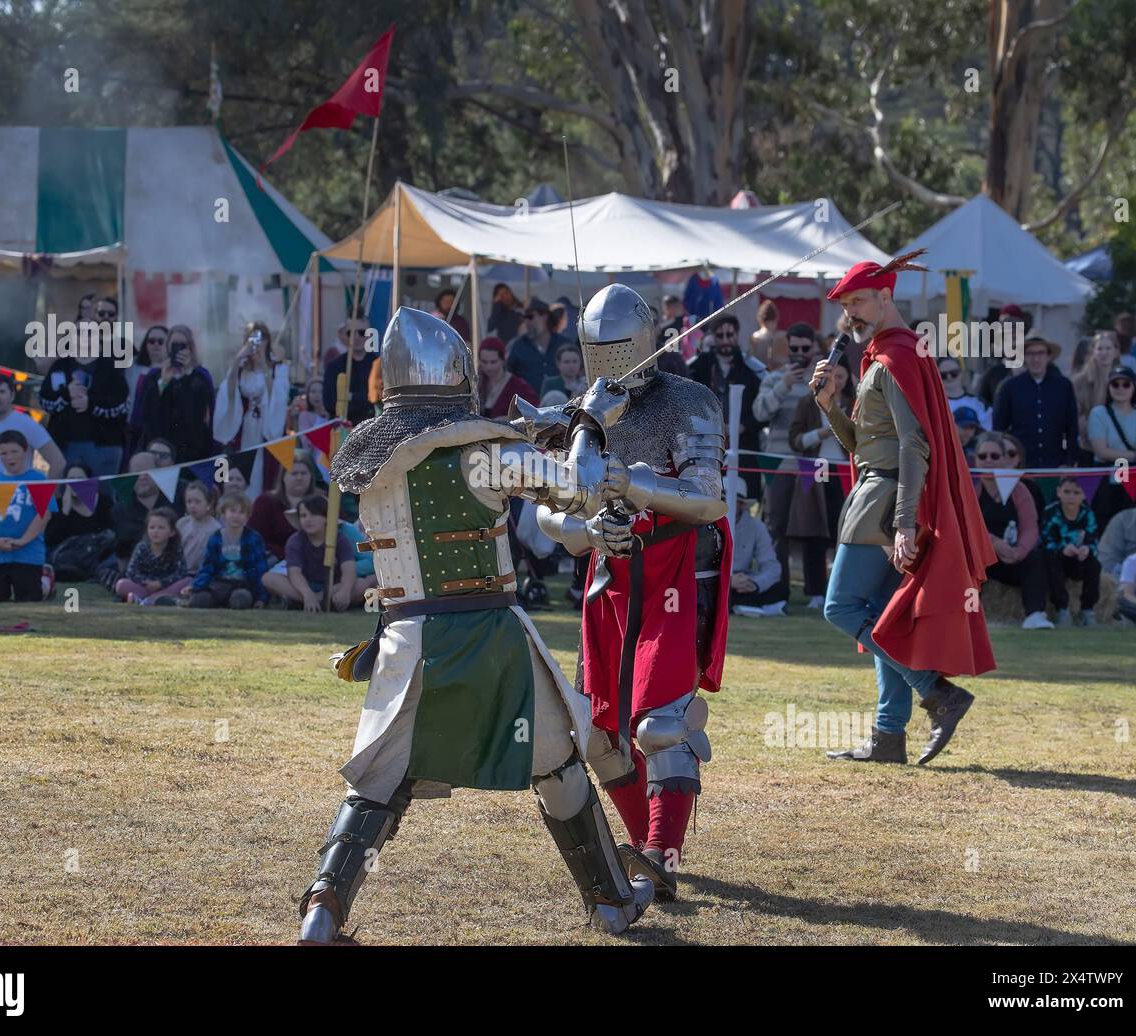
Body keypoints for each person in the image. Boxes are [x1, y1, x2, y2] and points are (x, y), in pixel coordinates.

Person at [297, 306, 656, 944]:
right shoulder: (490, 454)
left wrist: (537, 432)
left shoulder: (378, 465)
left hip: (408, 640)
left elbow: (450, 457)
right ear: (459, 376)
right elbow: (581, 490)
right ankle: (611, 901)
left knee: (380, 782)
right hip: (492, 639)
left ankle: (324, 909)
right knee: (558, 765)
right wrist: (590, 424)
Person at [527, 283, 732, 904]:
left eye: (620, 348)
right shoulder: (578, 413)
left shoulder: (688, 401)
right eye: (599, 349)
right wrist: (586, 529)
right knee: (598, 731)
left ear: (645, 340)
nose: (610, 363)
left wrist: (635, 484)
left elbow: (708, 499)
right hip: (610, 574)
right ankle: (649, 847)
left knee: (662, 724)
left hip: (677, 566)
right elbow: (546, 511)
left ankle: (662, 851)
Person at [813, 251, 995, 766]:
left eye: (861, 300)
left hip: (884, 500)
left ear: (887, 296)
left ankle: (939, 693)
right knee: (883, 617)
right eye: (847, 304)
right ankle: (888, 737)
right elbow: (864, 444)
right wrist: (829, 405)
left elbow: (914, 445)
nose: (853, 311)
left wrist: (903, 524)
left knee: (841, 608)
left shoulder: (895, 358)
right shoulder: (882, 356)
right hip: (879, 491)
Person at [755, 322, 822, 586]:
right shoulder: (774, 378)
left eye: (805, 348)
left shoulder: (820, 379)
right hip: (777, 461)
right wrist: (783, 384)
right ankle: (777, 588)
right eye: (794, 348)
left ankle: (816, 591)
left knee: (814, 525)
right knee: (777, 525)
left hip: (810, 462)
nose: (799, 353)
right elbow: (760, 413)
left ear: (814, 348)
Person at [788, 352, 853, 608]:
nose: (836, 381)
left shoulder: (856, 401)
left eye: (841, 377)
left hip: (845, 471)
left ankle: (842, 590)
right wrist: (820, 434)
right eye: (832, 376)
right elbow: (796, 440)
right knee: (813, 532)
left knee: (845, 531)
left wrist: (840, 428)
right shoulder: (807, 402)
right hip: (813, 470)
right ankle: (815, 592)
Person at [971, 433, 1053, 628]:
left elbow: (1030, 527)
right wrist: (994, 543)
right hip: (980, 555)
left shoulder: (1020, 489)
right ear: (975, 460)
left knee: (1036, 558)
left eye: (994, 456)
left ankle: (1035, 614)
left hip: (1011, 556)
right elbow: (967, 527)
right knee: (967, 562)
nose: (989, 461)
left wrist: (1019, 551)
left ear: (1004, 459)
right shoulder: (968, 488)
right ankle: (969, 614)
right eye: (983, 456)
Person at [0, 429, 56, 603]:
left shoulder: (39, 480)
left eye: (14, 452)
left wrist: (24, 540)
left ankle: (46, 583)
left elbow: (44, 515)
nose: (9, 457)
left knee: (29, 599)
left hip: (28, 554)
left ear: (25, 451)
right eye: (3, 453)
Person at [38, 324, 129, 477]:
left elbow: (122, 406)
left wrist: (90, 403)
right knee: (63, 495)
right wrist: (66, 395)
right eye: (79, 332)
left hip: (104, 446)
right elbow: (44, 401)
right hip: (63, 444)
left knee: (102, 496)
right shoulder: (60, 365)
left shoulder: (111, 367)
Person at [214, 321, 289, 494]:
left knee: (264, 473)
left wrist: (263, 365)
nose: (258, 343)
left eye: (261, 338)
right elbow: (229, 391)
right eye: (253, 338)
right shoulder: (240, 369)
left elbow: (277, 396)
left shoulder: (279, 367)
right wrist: (238, 359)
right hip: (243, 428)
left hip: (267, 427)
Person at [0, 372, 65, 483]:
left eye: (2, 392)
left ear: (12, 395)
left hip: (19, 498)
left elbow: (58, 462)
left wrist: (48, 496)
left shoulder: (27, 424)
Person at [992, 334, 1079, 468]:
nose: (1036, 359)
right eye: (1030, 354)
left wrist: (1069, 461)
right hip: (1020, 463)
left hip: (1055, 463)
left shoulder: (1063, 386)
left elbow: (1072, 427)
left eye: (1040, 353)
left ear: (1048, 357)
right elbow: (999, 428)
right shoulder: (1010, 387)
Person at [1087, 366, 1136, 528]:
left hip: (1132, 477)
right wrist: (1134, 455)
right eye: (1115, 384)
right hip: (1103, 478)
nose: (1120, 388)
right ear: (1108, 387)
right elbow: (1101, 451)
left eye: (1126, 384)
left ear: (1134, 387)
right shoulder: (1098, 413)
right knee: (1103, 525)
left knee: (1131, 526)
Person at [135, 325, 215, 464]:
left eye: (183, 345)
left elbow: (200, 411)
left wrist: (187, 376)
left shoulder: (200, 376)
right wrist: (163, 382)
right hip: (160, 445)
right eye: (174, 345)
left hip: (192, 447)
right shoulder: (154, 375)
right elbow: (146, 410)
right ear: (168, 346)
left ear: (191, 348)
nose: (178, 349)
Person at [261, 495, 357, 610]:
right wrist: (307, 594)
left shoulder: (339, 538)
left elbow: (349, 568)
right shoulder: (296, 540)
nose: (308, 519)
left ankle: (307, 602)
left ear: (326, 517)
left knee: (362, 584)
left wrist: (345, 590)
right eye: (303, 515)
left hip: (332, 586)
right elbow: (294, 572)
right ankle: (314, 601)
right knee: (268, 578)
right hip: (304, 585)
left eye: (314, 514)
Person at [687, 314, 767, 452]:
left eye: (729, 335)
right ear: (714, 337)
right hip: (707, 446)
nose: (725, 340)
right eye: (720, 336)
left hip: (744, 446)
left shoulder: (751, 369)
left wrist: (743, 426)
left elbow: (764, 410)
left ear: (737, 335)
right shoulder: (700, 367)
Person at [183, 490, 269, 609]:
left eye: (241, 512)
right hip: (219, 583)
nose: (236, 516)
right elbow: (207, 567)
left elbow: (260, 569)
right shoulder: (216, 538)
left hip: (244, 585)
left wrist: (261, 598)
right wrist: (195, 586)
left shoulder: (254, 538)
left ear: (247, 516)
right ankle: (183, 601)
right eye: (232, 511)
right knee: (200, 600)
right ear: (223, 513)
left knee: (241, 599)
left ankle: (230, 603)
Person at [1042, 475, 1101, 626]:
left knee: (1095, 564)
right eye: (1067, 492)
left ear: (1083, 495)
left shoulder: (1088, 514)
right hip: (1059, 558)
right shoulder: (1050, 512)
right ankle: (1062, 609)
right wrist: (1062, 548)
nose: (1071, 497)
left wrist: (1087, 549)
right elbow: (1046, 539)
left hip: (1079, 560)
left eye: (1076, 493)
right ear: (1058, 492)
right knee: (1050, 559)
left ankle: (1087, 609)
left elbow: (1093, 538)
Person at [44, 461, 115, 581]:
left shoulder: (104, 502)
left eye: (80, 479)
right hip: (69, 556)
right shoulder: (59, 505)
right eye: (71, 479)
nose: (76, 483)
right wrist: (65, 511)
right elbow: (51, 540)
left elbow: (111, 533)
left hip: (97, 555)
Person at [727, 479, 787, 615]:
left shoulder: (756, 526)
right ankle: (762, 609)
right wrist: (728, 580)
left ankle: (741, 608)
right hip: (718, 580)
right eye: (723, 499)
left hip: (744, 583)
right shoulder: (705, 524)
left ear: (741, 504)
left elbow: (772, 566)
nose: (727, 503)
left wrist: (755, 583)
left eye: (732, 500)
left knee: (782, 590)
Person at [115, 506, 191, 604]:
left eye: (161, 528)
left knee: (188, 581)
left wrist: (161, 583)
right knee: (121, 584)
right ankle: (150, 598)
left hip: (166, 585)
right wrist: (145, 582)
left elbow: (181, 572)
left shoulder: (176, 548)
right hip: (145, 586)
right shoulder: (142, 547)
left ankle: (151, 599)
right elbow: (131, 571)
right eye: (152, 527)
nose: (155, 531)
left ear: (172, 532)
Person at [249, 451, 316, 560]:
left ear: (311, 476)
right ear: (283, 477)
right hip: (276, 561)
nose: (299, 478)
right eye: (294, 473)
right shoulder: (266, 502)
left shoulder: (322, 499)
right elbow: (255, 538)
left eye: (304, 473)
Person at [109, 451, 162, 572]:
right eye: (137, 471)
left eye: (148, 470)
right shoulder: (119, 511)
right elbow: (120, 552)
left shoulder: (180, 495)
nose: (142, 476)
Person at [321, 317, 377, 427]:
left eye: (361, 332)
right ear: (343, 336)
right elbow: (330, 403)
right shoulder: (334, 367)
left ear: (369, 335)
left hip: (372, 428)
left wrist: (351, 397)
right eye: (350, 333)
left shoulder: (378, 365)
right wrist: (363, 400)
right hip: (344, 429)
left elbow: (378, 400)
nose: (356, 337)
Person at [1072, 331, 1121, 453]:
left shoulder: (1124, 379)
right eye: (1099, 348)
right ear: (1093, 351)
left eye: (1108, 348)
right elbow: (1076, 418)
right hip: (1088, 448)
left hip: (1119, 448)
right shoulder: (1080, 381)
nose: (1104, 353)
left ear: (1116, 351)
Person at [505, 298, 565, 395]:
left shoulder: (563, 343)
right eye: (524, 318)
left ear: (545, 317)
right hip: (527, 406)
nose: (526, 322)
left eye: (530, 317)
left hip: (560, 406)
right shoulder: (517, 346)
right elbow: (508, 376)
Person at [476, 336, 537, 419]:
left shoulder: (518, 386)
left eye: (493, 362)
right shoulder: (477, 384)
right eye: (484, 362)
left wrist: (507, 419)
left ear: (503, 360)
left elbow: (534, 413)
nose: (488, 367)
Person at [177, 480, 220, 576]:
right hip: (177, 572)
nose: (192, 506)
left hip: (198, 575)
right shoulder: (182, 523)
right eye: (189, 502)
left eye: (197, 502)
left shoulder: (215, 529)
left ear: (208, 503)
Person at [939, 356, 991, 429]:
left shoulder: (979, 404)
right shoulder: (936, 405)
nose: (949, 377)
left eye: (954, 373)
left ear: (961, 373)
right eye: (943, 375)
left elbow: (988, 431)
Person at [748, 299, 788, 371]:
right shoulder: (781, 337)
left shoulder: (754, 336)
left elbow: (752, 360)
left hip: (758, 373)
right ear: (776, 318)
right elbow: (782, 361)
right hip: (775, 375)